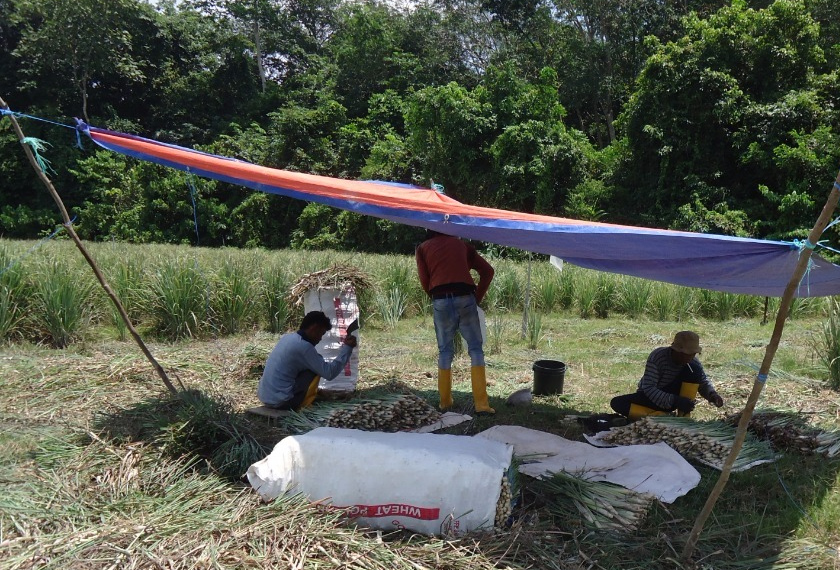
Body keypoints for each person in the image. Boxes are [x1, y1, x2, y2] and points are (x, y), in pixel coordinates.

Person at [415, 229, 495, 414]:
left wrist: (438, 299)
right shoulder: (462, 245)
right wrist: (477, 298)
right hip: (465, 297)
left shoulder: (423, 249)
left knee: (445, 351)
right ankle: (482, 405)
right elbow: (488, 271)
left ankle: (445, 403)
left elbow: (425, 281)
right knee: (475, 349)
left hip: (440, 299)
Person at [610, 331, 724, 420]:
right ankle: (662, 417)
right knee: (617, 403)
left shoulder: (693, 364)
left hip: (678, 400)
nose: (690, 358)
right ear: (676, 350)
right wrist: (674, 400)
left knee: (695, 370)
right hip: (652, 398)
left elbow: (702, 382)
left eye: (693, 354)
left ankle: (682, 417)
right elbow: (649, 388)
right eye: (687, 354)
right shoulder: (658, 357)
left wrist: (712, 394)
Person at [258, 311, 357, 411]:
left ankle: (312, 393)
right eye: (321, 334)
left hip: (266, 397)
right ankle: (302, 402)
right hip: (281, 403)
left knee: (312, 365)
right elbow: (329, 373)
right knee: (314, 370)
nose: (320, 339)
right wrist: (347, 348)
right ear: (314, 328)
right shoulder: (304, 347)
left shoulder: (287, 338)